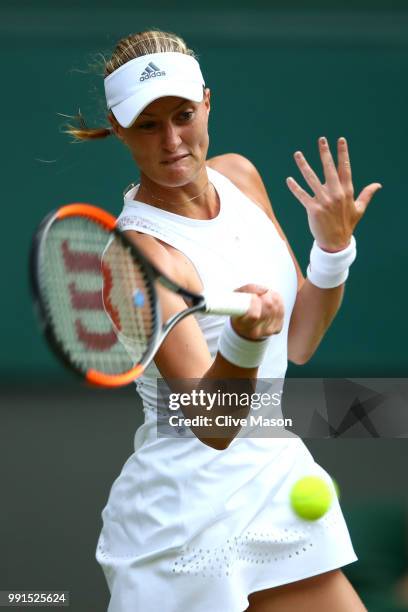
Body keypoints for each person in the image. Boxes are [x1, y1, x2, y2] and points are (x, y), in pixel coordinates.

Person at [66, 29, 382, 612]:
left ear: (207, 101)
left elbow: (302, 336)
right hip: (183, 518)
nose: (172, 141)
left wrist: (333, 252)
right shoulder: (137, 257)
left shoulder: (240, 176)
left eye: (184, 114)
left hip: (270, 480)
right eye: (147, 125)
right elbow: (212, 427)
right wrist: (243, 339)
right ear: (117, 126)